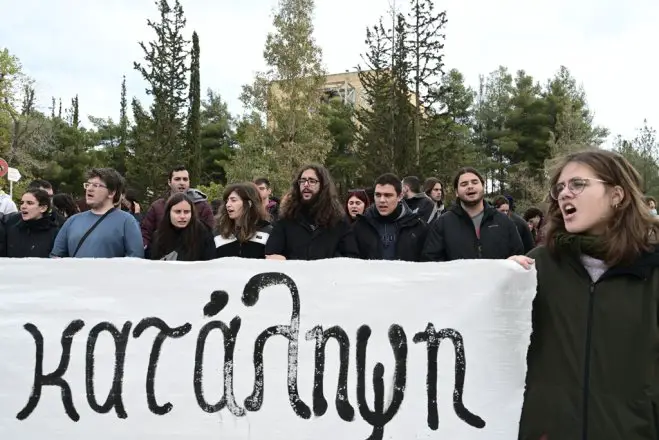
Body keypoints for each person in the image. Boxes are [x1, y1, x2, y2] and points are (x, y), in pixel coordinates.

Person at [509, 149, 659, 439]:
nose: (564, 194)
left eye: (578, 184)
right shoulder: (539, 266)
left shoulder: (652, 271)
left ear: (618, 194)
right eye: (560, 188)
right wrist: (501, 285)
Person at [265, 164, 358, 260]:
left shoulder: (338, 222)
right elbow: (271, 253)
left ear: (323, 186)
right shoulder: (286, 219)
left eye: (312, 181)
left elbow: (351, 258)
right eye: (302, 181)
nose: (306, 185)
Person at [148, 193, 215, 261]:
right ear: (169, 213)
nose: (182, 216)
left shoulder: (203, 234)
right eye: (178, 212)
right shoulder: (158, 236)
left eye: (186, 212)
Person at [214, 183, 272, 259]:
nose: (228, 204)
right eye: (227, 201)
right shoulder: (218, 233)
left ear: (249, 203)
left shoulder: (267, 232)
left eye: (233, 200)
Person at [0, 189, 59, 258]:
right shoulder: (11, 230)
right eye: (22, 203)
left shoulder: (55, 233)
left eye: (29, 203)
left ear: (43, 208)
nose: (23, 206)